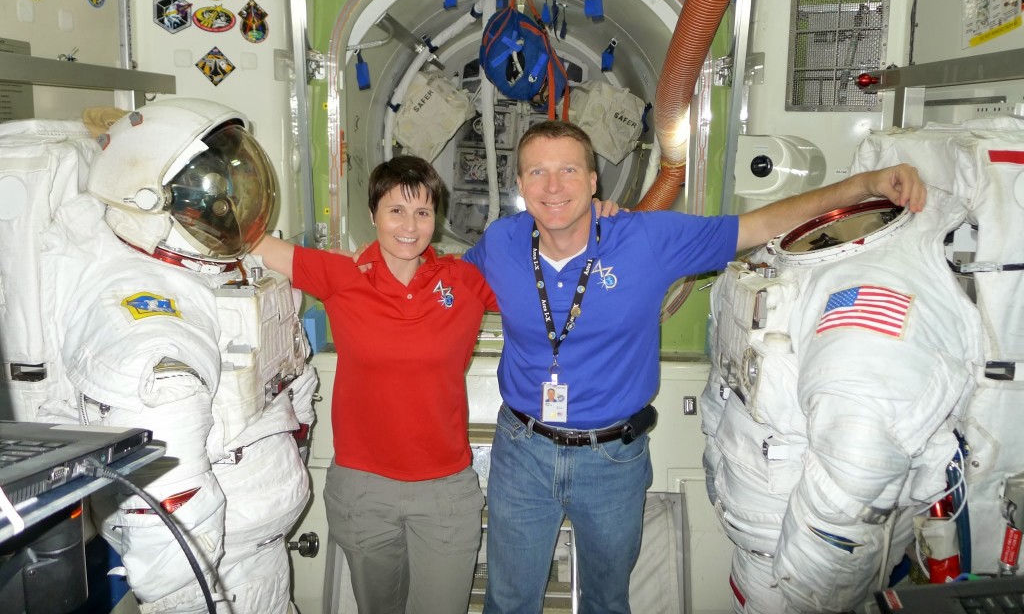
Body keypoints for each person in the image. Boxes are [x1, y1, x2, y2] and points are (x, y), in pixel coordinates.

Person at [462, 119, 927, 614]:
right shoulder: (501, 242)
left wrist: (866, 184)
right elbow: (437, 281)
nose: (553, 187)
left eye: (568, 170)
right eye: (537, 172)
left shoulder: (646, 239)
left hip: (611, 459)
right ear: (520, 185)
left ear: (595, 182)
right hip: (523, 451)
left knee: (605, 601)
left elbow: (760, 226)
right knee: (508, 601)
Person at [1, 99, 314, 613]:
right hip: (212, 577)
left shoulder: (210, 274)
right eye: (207, 195)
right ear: (146, 197)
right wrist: (191, 600)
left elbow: (285, 374)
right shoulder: (144, 318)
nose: (226, 207)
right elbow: (168, 492)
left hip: (253, 551)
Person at [253, 155, 497, 614]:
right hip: (364, 489)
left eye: (423, 212)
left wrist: (597, 217)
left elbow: (546, 279)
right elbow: (255, 243)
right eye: (396, 211)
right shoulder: (342, 274)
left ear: (436, 219)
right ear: (373, 216)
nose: (410, 225)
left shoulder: (463, 280)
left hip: (444, 491)